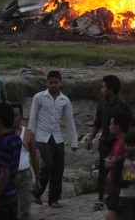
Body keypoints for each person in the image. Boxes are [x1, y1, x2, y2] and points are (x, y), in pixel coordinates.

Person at [29, 70, 79, 208]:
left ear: (60, 83)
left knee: (59, 168)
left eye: (55, 83)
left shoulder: (65, 100)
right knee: (49, 164)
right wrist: (29, 138)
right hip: (41, 136)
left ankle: (53, 199)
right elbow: (32, 119)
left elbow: (69, 122)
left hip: (57, 137)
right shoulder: (39, 97)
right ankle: (37, 193)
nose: (53, 85)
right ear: (46, 83)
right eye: (50, 82)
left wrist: (74, 141)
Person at [89, 75, 134, 212]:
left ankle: (118, 196)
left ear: (111, 89)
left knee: (120, 171)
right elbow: (97, 123)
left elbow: (133, 122)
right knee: (103, 171)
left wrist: (129, 139)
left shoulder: (123, 105)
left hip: (118, 143)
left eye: (103, 87)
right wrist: (91, 138)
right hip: (104, 142)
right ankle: (101, 199)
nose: (101, 89)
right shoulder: (101, 104)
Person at [10, 103, 40, 220]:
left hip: (25, 175)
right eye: (10, 115)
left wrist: (37, 178)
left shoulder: (28, 133)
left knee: (24, 209)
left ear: (21, 116)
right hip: (8, 175)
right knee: (9, 209)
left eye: (16, 115)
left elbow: (34, 157)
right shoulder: (1, 133)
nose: (13, 118)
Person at [112, 131, 135, 220]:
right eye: (128, 145)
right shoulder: (120, 161)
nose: (130, 148)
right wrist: (132, 181)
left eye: (133, 146)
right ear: (124, 145)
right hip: (125, 198)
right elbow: (116, 181)